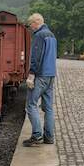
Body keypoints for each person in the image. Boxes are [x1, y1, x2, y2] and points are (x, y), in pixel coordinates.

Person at [23, 13, 57, 147]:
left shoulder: (39, 36)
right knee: (48, 108)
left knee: (31, 105)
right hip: (51, 75)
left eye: (31, 25)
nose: (31, 28)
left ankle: (36, 136)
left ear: (36, 22)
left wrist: (31, 75)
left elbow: (36, 57)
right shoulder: (52, 36)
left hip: (41, 75)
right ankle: (49, 137)